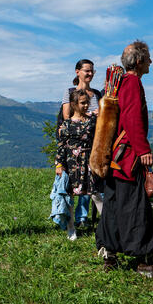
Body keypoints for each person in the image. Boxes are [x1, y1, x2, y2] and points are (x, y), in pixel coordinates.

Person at [95, 41, 153, 278]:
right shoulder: (133, 82)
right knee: (135, 207)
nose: (151, 62)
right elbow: (132, 119)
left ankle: (110, 255)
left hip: (115, 156)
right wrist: (144, 150)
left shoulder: (121, 82)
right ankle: (143, 262)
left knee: (113, 206)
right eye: (149, 57)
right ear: (140, 60)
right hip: (129, 156)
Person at [59, 59, 103, 226]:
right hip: (76, 143)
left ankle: (83, 217)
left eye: (92, 71)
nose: (90, 74)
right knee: (75, 182)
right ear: (78, 72)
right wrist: (92, 115)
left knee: (90, 182)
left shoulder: (97, 94)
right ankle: (77, 219)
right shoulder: (70, 92)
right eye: (87, 71)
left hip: (93, 141)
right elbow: (67, 117)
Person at [55, 90, 104, 240]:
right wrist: (59, 165)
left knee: (95, 193)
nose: (86, 105)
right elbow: (61, 145)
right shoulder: (66, 124)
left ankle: (108, 225)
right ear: (74, 104)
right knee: (70, 195)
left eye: (87, 102)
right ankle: (71, 228)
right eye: (83, 103)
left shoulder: (92, 121)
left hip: (89, 160)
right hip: (71, 163)